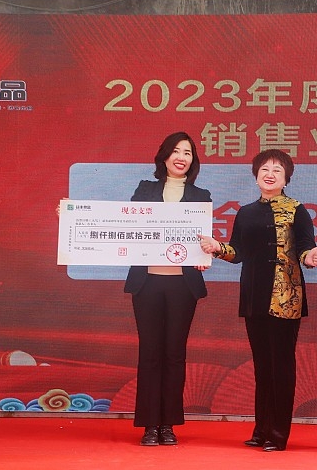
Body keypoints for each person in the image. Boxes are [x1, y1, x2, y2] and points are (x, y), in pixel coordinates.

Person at [199, 149, 317, 452]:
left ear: (286, 178)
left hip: (285, 297)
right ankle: (261, 430)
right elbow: (238, 252)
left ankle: (278, 434)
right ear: (256, 176)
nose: (270, 174)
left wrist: (311, 257)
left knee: (281, 367)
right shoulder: (245, 212)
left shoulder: (297, 209)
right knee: (261, 367)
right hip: (254, 296)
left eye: (277, 170)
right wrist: (217, 247)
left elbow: (306, 247)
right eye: (264, 169)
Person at [123, 131, 212, 446]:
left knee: (175, 354)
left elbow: (202, 239)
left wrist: (204, 254)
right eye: (175, 151)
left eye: (187, 152)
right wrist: (72, 218)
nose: (181, 157)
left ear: (193, 160)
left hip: (182, 285)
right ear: (164, 156)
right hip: (147, 281)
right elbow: (124, 225)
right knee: (150, 352)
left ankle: (168, 424)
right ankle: (150, 424)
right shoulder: (145, 190)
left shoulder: (201, 196)